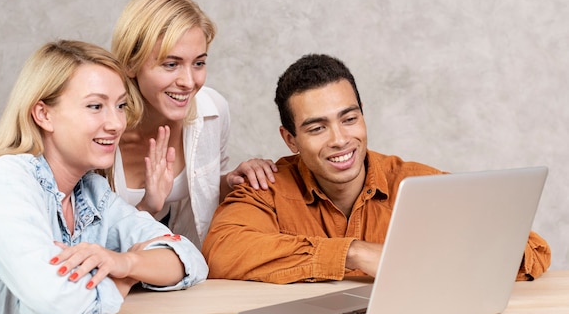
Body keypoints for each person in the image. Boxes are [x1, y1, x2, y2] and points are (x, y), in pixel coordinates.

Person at [0, 40, 208, 314]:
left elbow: (188, 258)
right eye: (95, 106)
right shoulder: (5, 181)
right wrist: (122, 280)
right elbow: (57, 305)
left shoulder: (92, 192)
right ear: (44, 114)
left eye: (120, 106)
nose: (115, 124)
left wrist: (124, 261)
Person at [202, 53, 551, 284]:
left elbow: (531, 251)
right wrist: (355, 252)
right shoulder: (266, 187)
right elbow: (221, 253)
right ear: (290, 139)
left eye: (349, 119)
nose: (340, 139)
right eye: (316, 127)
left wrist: (439, 255)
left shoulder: (414, 182)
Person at [110, 0, 277, 249]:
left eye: (198, 63)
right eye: (170, 64)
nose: (189, 82)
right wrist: (147, 207)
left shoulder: (213, 110)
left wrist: (232, 181)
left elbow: (203, 192)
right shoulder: (102, 131)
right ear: (131, 63)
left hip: (188, 273)